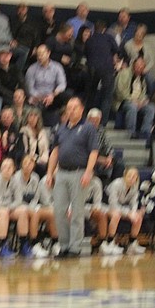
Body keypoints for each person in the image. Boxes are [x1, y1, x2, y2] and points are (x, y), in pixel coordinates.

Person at [45, 97, 99, 258]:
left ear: (81, 109)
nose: (71, 110)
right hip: (61, 173)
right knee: (59, 210)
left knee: (76, 212)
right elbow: (55, 151)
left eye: (74, 108)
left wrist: (88, 172)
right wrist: (49, 172)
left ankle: (75, 247)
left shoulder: (89, 128)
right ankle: (64, 245)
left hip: (79, 173)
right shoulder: (61, 129)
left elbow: (94, 152)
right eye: (69, 108)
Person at [9, 154, 57, 257]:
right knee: (35, 213)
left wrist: (32, 205)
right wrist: (30, 207)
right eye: (26, 163)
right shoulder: (16, 178)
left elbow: (36, 196)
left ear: (34, 166)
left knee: (52, 212)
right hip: (17, 206)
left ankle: (55, 242)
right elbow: (17, 198)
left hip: (31, 206)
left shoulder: (35, 177)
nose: (28, 165)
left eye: (30, 163)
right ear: (22, 164)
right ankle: (34, 243)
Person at [101, 166, 146, 255]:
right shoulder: (116, 184)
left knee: (138, 217)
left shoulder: (134, 187)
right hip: (105, 206)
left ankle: (132, 243)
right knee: (116, 215)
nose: (131, 179)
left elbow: (134, 202)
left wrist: (133, 213)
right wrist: (128, 213)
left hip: (121, 207)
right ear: (124, 175)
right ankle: (110, 242)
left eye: (134, 177)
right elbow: (113, 204)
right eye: (129, 176)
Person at [114, 57, 155, 136]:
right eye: (137, 66)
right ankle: (130, 132)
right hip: (124, 101)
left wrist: (143, 100)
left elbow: (143, 92)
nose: (139, 69)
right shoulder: (125, 73)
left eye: (141, 67)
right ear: (133, 65)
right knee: (132, 106)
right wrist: (132, 100)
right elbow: (120, 92)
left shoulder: (142, 77)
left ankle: (145, 133)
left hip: (138, 101)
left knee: (151, 107)